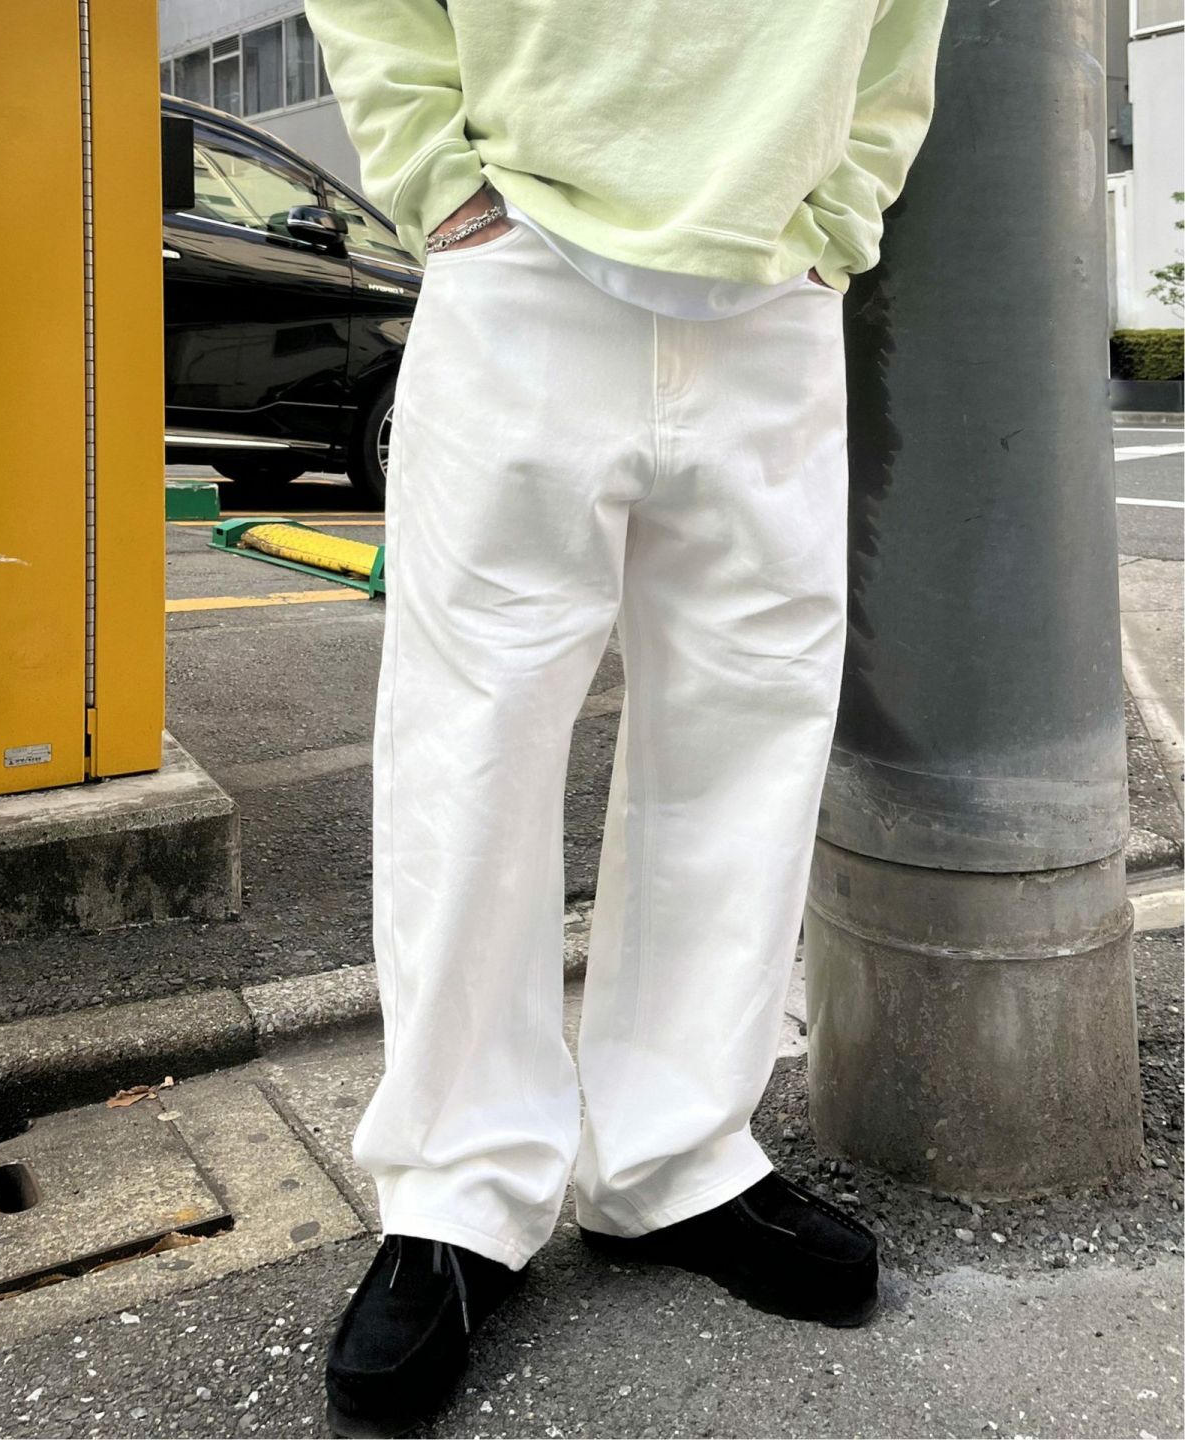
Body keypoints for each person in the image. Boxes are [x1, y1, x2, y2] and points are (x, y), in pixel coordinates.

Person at [305, 1, 948, 1433]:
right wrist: (436, 179)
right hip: (519, 248)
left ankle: (676, 1156)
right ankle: (458, 1188)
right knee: (472, 744)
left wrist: (836, 218)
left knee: (747, 737)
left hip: (773, 279)